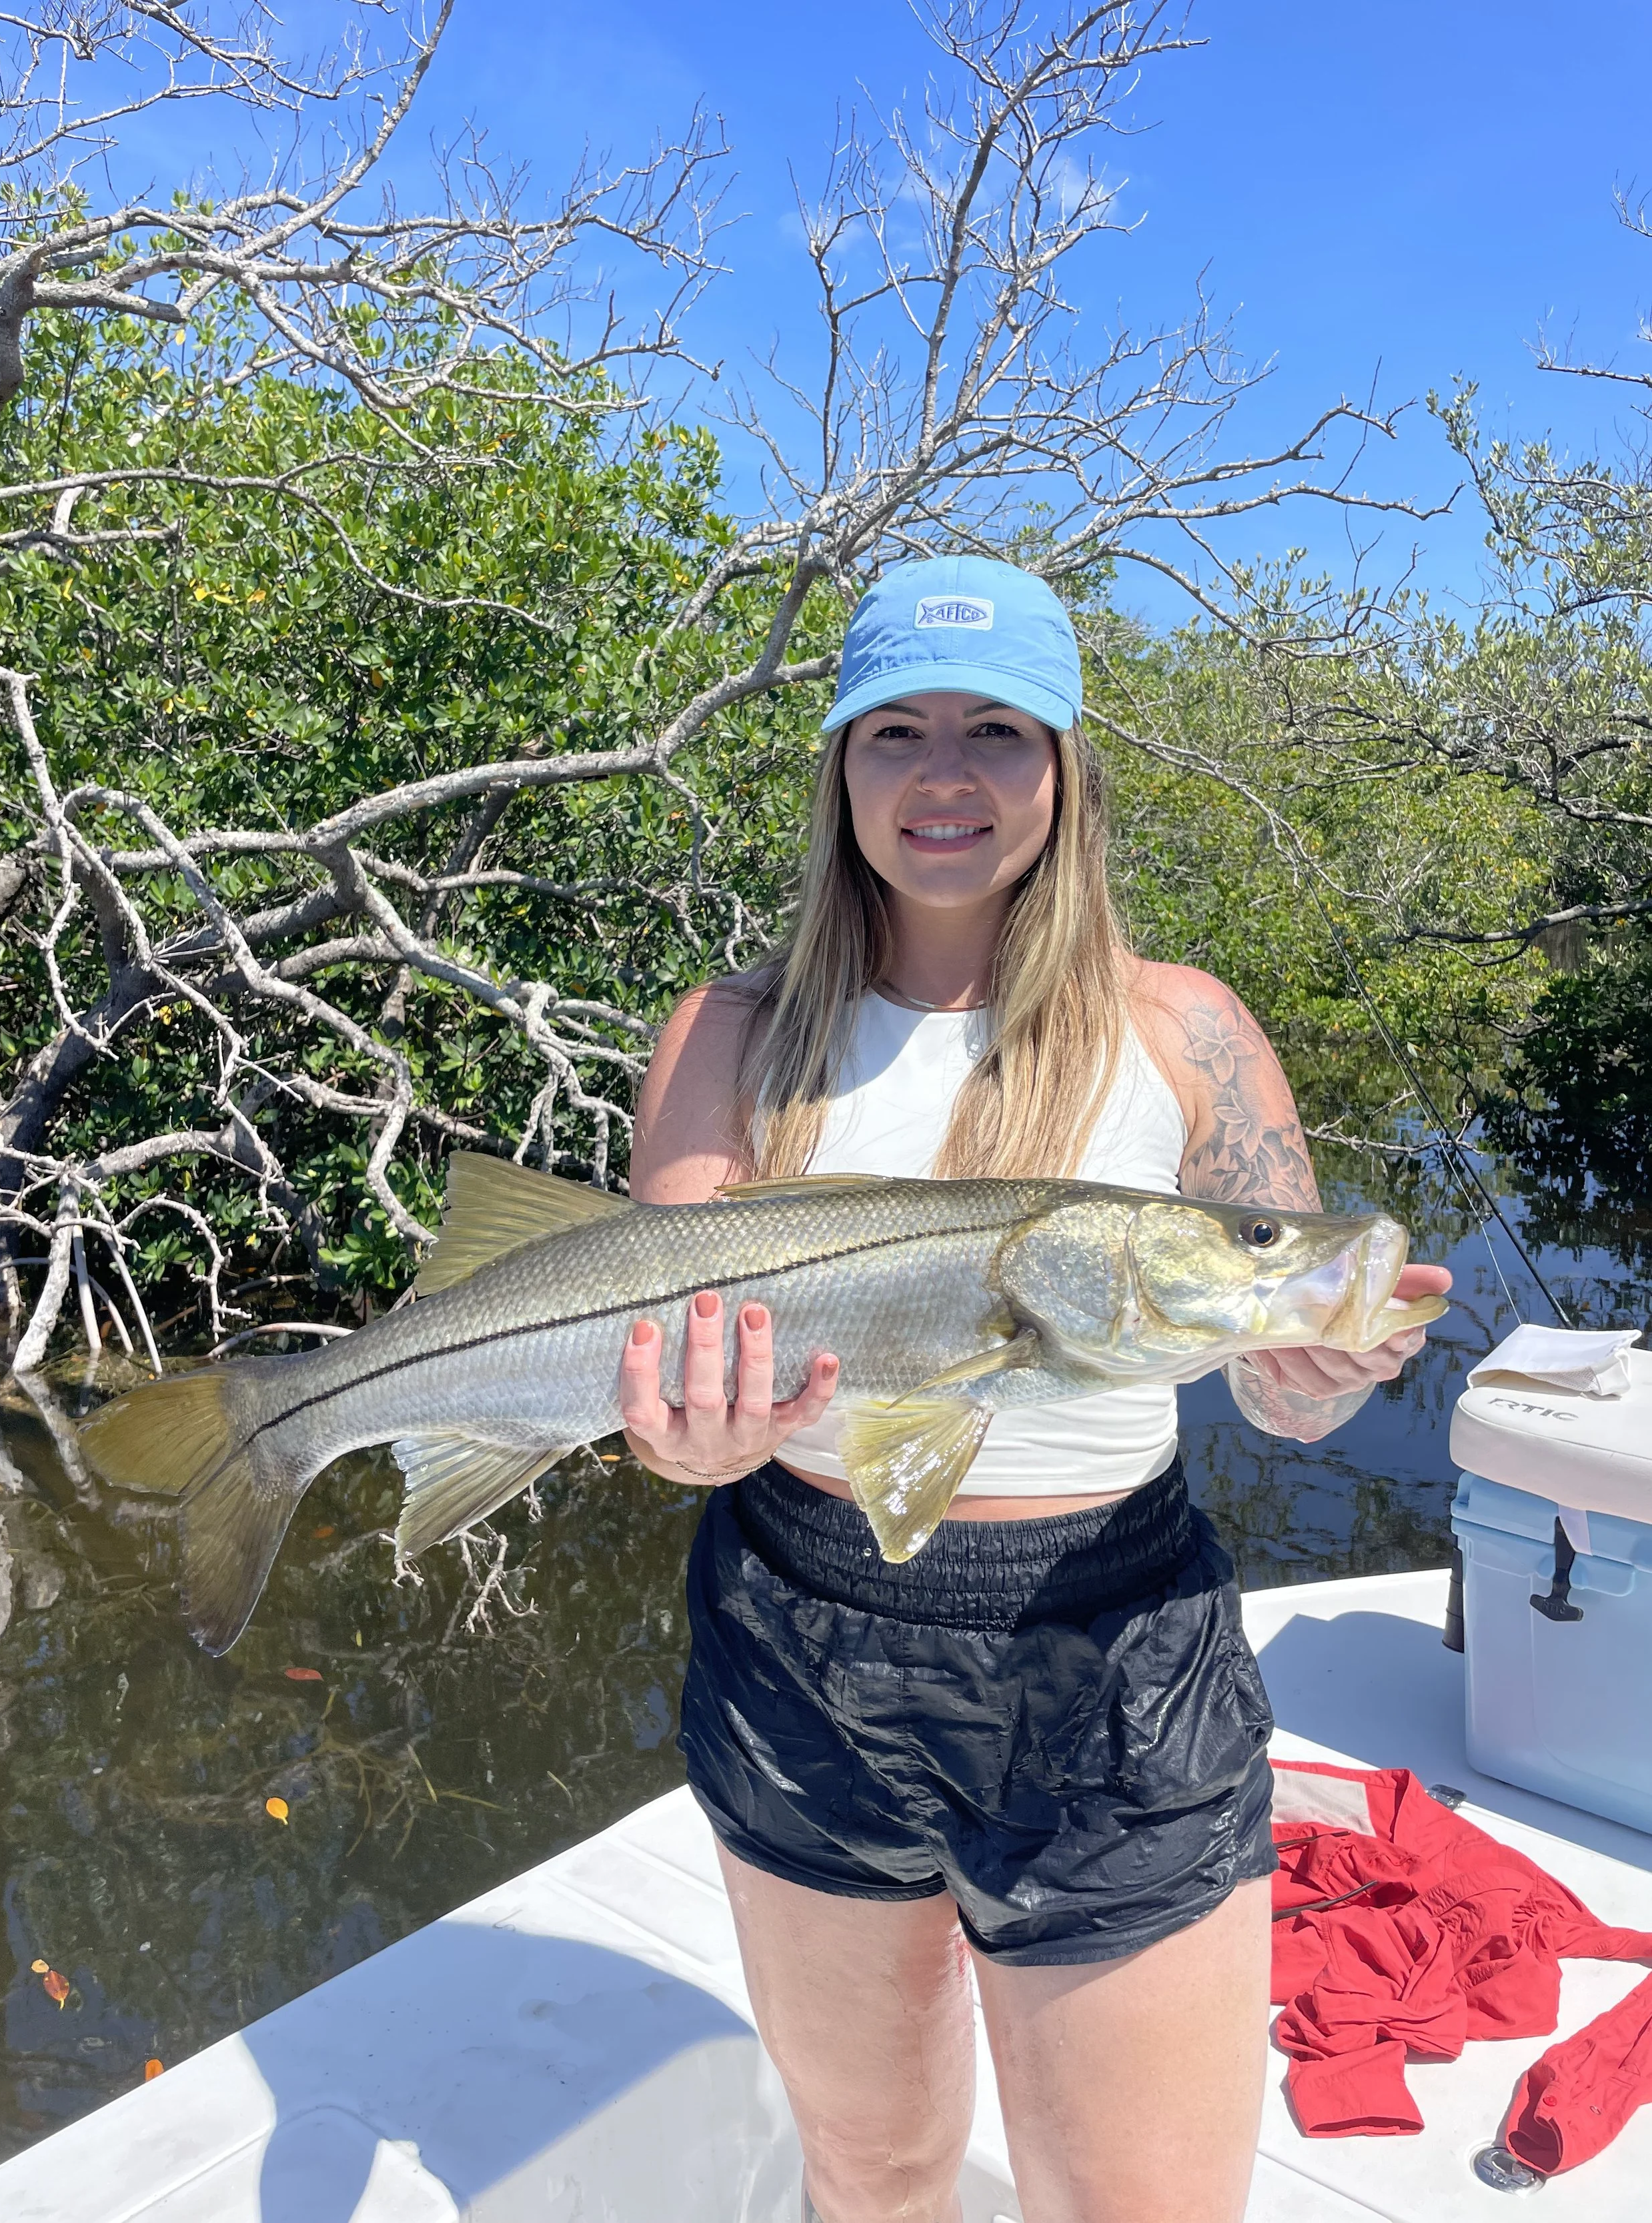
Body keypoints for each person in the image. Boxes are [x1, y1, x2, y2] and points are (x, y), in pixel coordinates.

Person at [620, 556, 1451, 2223]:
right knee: (871, 2171)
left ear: (1063, 768)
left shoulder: (1185, 1029)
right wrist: (680, 1439)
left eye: (997, 729)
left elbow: (1284, 1402)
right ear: (839, 766)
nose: (944, 774)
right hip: (797, 1634)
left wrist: (1316, 1367)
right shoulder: (728, 1029)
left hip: (1115, 1655)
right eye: (896, 731)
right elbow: (666, 1419)